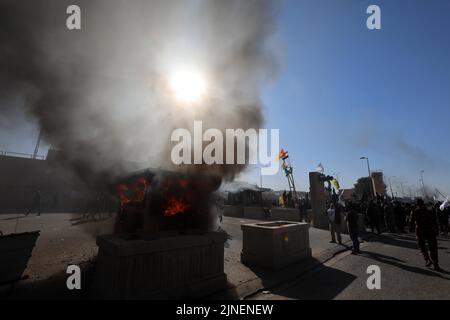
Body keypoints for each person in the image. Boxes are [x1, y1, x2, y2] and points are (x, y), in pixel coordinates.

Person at [410, 198, 441, 271]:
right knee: (433, 247)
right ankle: (435, 263)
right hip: (430, 231)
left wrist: (411, 228)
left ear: (417, 204)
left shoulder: (415, 212)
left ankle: (427, 259)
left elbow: (411, 222)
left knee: (421, 246)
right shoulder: (429, 211)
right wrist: (437, 230)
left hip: (420, 231)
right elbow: (435, 221)